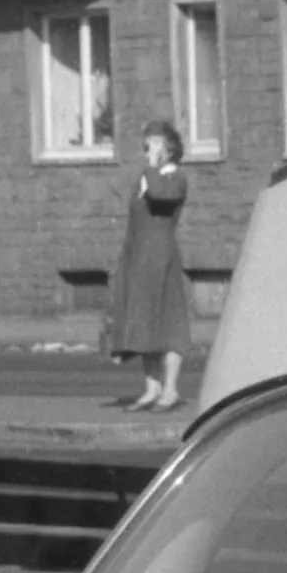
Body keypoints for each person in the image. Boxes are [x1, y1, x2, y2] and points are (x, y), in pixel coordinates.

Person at [106, 122, 193, 413]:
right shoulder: (148, 176)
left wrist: (154, 167)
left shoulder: (174, 177)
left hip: (161, 257)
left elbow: (161, 196)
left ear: (167, 149)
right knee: (145, 321)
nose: (146, 154)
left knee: (168, 323)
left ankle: (170, 389)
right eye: (145, 148)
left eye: (151, 147)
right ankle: (152, 387)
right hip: (139, 258)